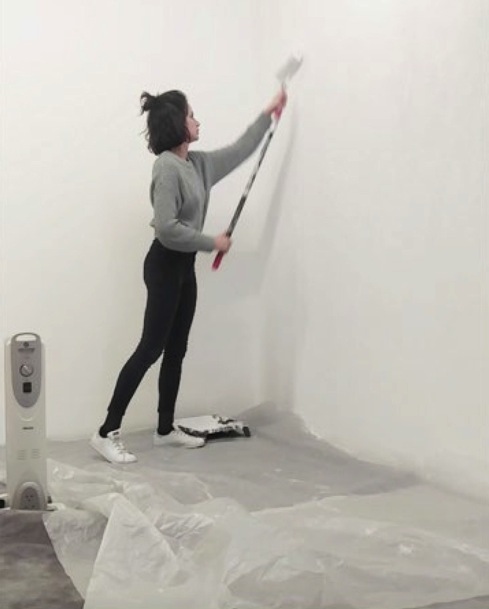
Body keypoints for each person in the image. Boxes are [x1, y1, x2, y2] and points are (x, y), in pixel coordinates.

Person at [90, 86, 287, 464]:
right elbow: (166, 228)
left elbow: (241, 149)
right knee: (150, 349)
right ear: (176, 124)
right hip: (164, 265)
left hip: (184, 268)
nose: (197, 121)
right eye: (191, 115)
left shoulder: (199, 164)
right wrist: (212, 242)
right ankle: (105, 432)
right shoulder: (166, 167)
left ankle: (165, 430)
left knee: (176, 349)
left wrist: (269, 114)